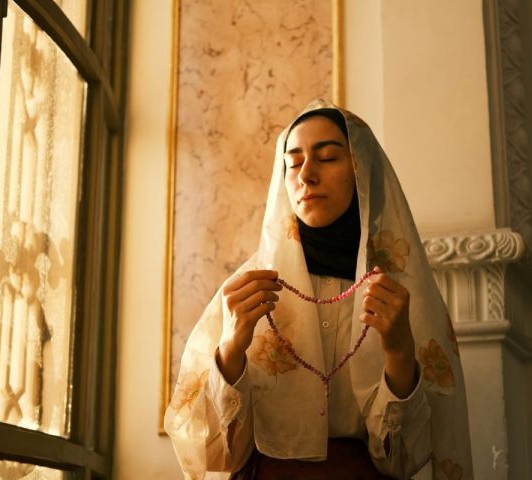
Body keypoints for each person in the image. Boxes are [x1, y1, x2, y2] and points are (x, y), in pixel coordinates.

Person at [165, 99, 473, 480]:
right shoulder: (249, 288)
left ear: (362, 172)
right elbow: (210, 452)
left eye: (327, 158)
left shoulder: (398, 293)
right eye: (293, 163)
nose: (306, 175)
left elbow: (403, 460)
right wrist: (231, 349)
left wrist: (398, 351)